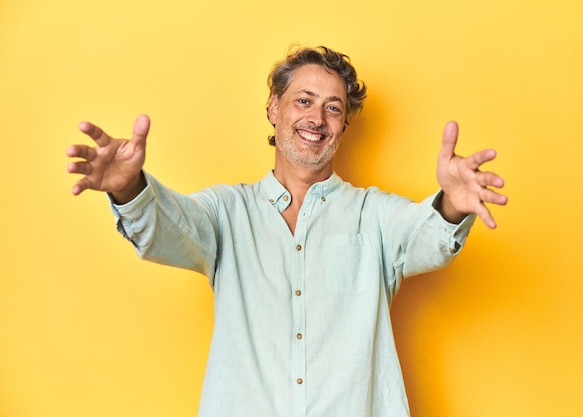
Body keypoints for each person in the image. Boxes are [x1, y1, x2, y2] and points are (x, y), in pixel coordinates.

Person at [66, 46, 507, 417]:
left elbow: (424, 237)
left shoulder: (372, 214)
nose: (318, 118)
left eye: (333, 107)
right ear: (274, 108)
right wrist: (128, 186)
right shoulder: (227, 211)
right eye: (304, 101)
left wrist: (451, 203)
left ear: (343, 125)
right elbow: (168, 227)